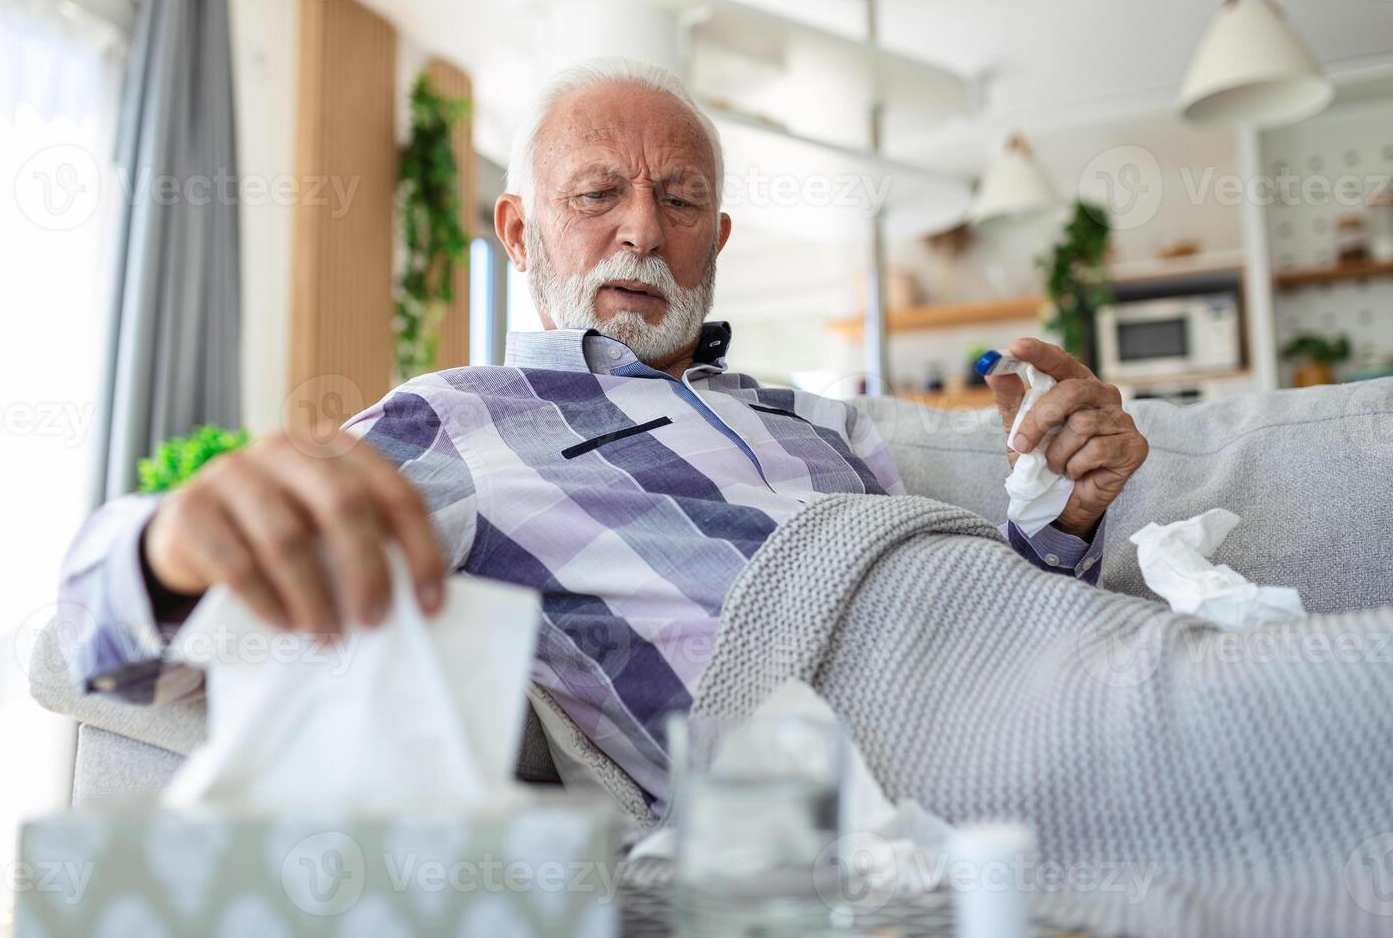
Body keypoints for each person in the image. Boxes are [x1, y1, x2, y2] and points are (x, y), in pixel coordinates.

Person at [58, 57, 1148, 811]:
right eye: (597, 194)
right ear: (520, 230)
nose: (642, 227)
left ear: (715, 241)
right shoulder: (453, 419)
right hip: (875, 753)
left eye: (680, 200)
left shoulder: (824, 420)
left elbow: (978, 606)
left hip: (1057, 664)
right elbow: (92, 648)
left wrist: (1062, 516)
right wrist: (164, 552)